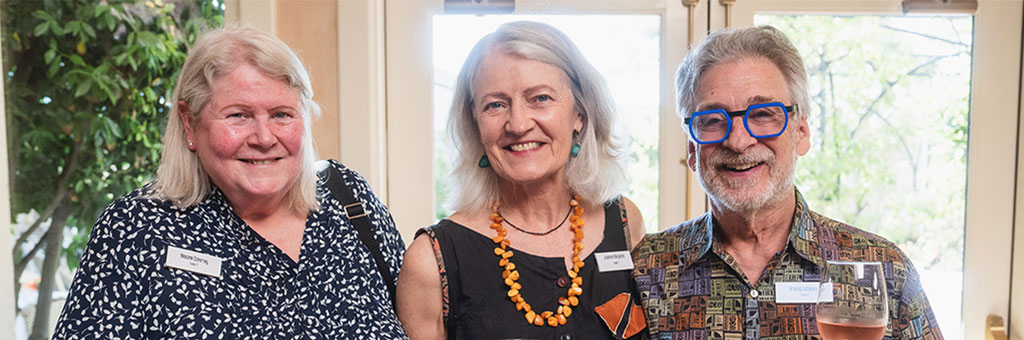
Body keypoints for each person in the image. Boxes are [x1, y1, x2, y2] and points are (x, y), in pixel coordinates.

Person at [53, 26, 408, 339]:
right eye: (238, 115)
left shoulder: (350, 200)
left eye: (281, 115)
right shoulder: (135, 229)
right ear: (189, 123)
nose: (263, 137)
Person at [632, 26, 944, 339]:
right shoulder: (646, 271)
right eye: (712, 120)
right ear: (692, 149)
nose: (738, 141)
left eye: (762, 115)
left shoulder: (886, 271)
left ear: (801, 133)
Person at [397, 21, 648, 340]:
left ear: (580, 114)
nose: (517, 124)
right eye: (495, 105)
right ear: (475, 124)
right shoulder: (430, 261)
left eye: (540, 98)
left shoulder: (626, 222)